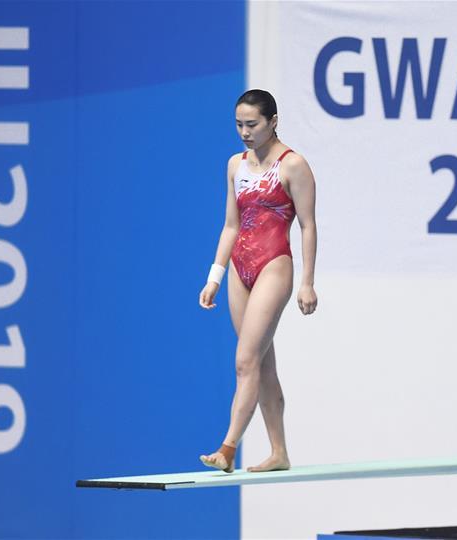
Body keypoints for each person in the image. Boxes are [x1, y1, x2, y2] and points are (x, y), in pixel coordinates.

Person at [198, 89, 318, 473]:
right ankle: (279, 452)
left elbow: (308, 225)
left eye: (252, 124)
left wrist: (308, 282)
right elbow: (231, 225)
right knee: (262, 364)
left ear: (273, 121)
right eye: (239, 125)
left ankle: (228, 447)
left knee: (245, 360)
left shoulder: (293, 165)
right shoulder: (235, 165)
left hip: (273, 265)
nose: (245, 132)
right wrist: (215, 277)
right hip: (239, 268)